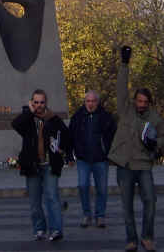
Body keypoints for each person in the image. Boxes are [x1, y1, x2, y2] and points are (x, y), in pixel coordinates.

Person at [108, 46, 164, 252]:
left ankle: (147, 237)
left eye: (145, 102)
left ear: (149, 103)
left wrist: (157, 145)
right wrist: (124, 64)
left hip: (143, 165)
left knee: (150, 201)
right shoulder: (126, 110)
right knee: (127, 206)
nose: (142, 104)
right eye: (139, 101)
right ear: (135, 101)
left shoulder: (155, 118)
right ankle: (131, 239)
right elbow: (121, 88)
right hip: (124, 164)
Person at [12, 89, 74, 242]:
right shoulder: (27, 120)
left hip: (50, 165)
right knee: (35, 201)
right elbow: (15, 124)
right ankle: (39, 229)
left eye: (42, 102)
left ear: (46, 103)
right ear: (32, 102)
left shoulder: (53, 119)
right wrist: (29, 112)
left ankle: (56, 230)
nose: (39, 105)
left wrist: (66, 153)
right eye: (36, 102)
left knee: (52, 197)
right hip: (32, 166)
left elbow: (66, 137)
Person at [69, 90, 116, 228]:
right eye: (88, 101)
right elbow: (70, 135)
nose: (90, 104)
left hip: (100, 159)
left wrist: (110, 153)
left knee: (101, 189)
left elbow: (113, 136)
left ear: (97, 102)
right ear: (84, 102)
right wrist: (70, 155)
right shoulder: (77, 116)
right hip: (83, 159)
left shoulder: (106, 117)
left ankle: (100, 216)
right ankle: (86, 215)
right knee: (83, 186)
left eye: (93, 101)